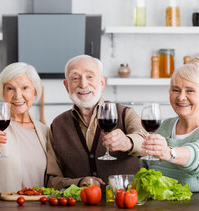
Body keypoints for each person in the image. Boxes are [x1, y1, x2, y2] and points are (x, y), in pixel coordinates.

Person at [46, 54, 148, 191]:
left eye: (90, 77)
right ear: (66, 85)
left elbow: (146, 142)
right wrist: (79, 182)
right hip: (77, 208)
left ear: (101, 82)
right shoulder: (57, 126)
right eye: (75, 78)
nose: (83, 84)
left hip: (125, 206)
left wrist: (127, 142)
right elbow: (52, 181)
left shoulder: (125, 113)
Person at [141, 57, 199, 192]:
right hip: (162, 209)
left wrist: (168, 152)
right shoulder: (165, 126)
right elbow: (146, 165)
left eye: (190, 91)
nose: (181, 97)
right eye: (175, 90)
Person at [0, 62, 49, 193]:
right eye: (10, 88)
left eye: (25, 88)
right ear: (2, 92)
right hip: (1, 210)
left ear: (35, 90)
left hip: (37, 209)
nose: (17, 95)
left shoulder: (44, 131)